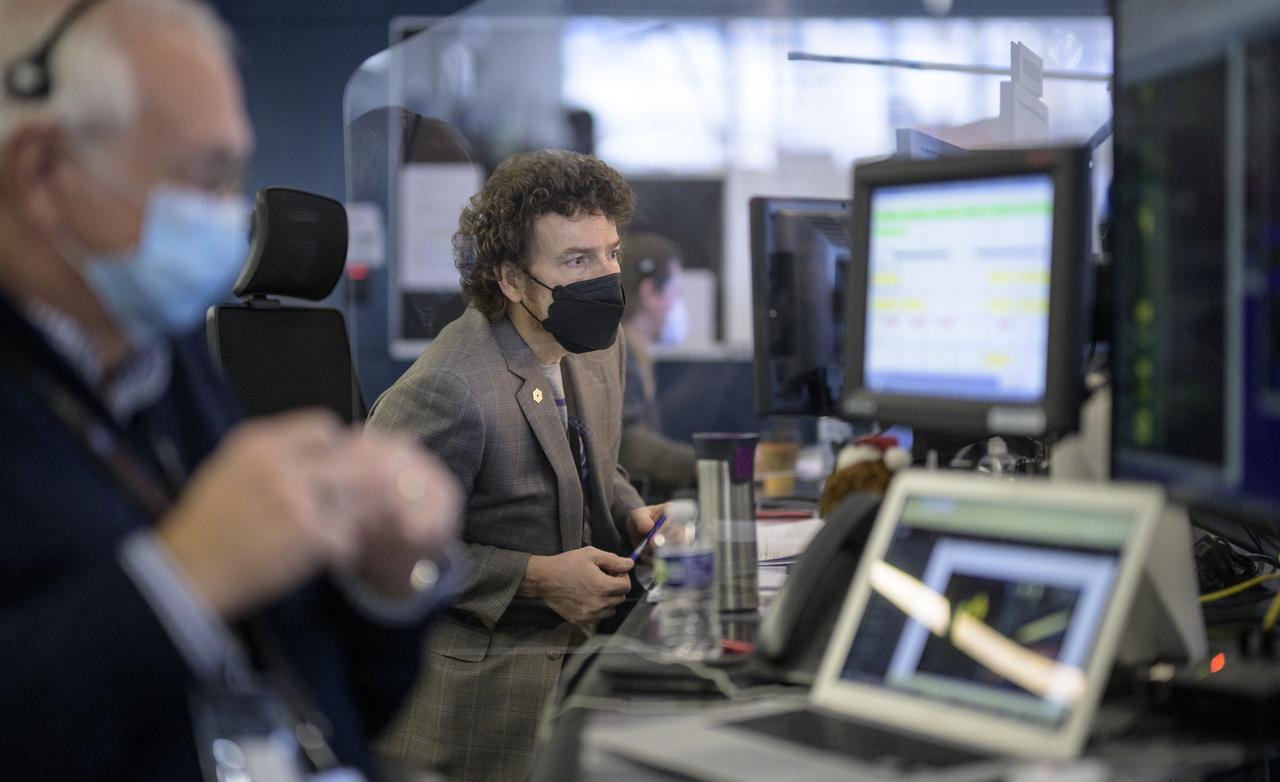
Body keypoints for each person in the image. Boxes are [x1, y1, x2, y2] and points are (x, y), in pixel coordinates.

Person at [0, 0, 462, 779]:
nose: (231, 215)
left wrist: (384, 580)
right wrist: (180, 583)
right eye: (204, 176)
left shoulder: (168, 356)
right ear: (41, 173)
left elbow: (333, 706)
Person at [368, 149, 666, 782]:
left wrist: (632, 514)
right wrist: (533, 577)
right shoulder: (448, 388)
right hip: (485, 692)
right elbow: (375, 549)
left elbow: (598, 464)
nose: (605, 278)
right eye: (576, 261)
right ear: (510, 279)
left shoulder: (594, 347)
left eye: (611, 253)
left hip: (585, 658)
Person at [618, 232, 697, 500]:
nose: (677, 305)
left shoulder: (636, 353)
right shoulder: (618, 352)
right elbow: (628, 444)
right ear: (650, 292)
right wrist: (705, 464)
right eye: (676, 292)